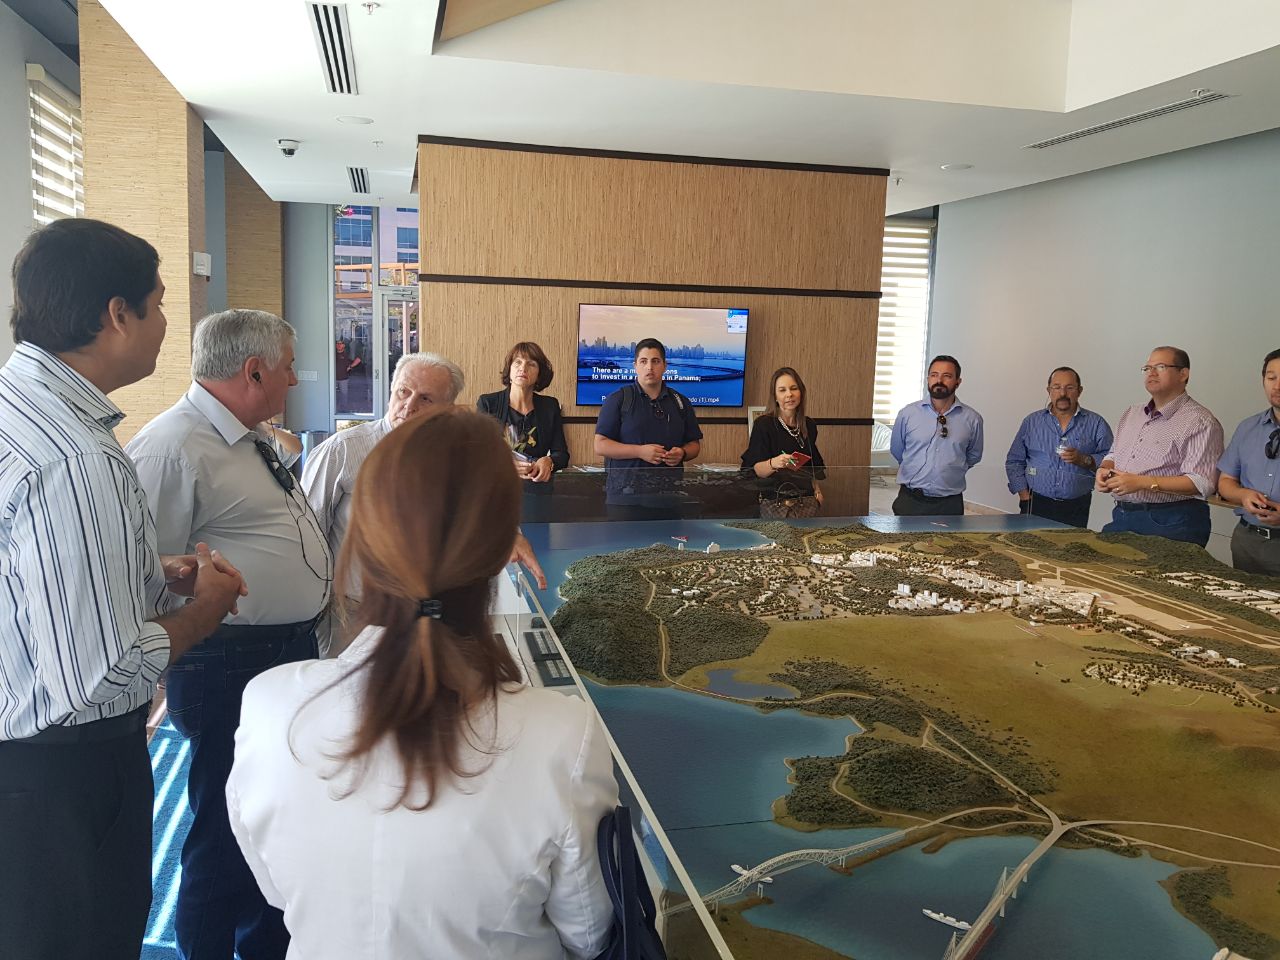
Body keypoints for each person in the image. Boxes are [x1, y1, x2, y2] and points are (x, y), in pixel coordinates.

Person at [227, 408, 619, 959]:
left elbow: (276, 889)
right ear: (499, 551)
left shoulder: (268, 706)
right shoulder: (565, 735)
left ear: (363, 537)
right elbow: (591, 931)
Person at [0, 219, 244, 960]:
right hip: (64, 778)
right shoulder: (77, 457)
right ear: (117, 315)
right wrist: (204, 612)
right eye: (160, 304)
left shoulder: (21, 408)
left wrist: (141, 570)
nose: (169, 324)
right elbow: (99, 672)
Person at [127, 309, 332, 960]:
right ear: (253, 371)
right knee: (225, 827)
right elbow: (140, 576)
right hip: (228, 664)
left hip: (280, 656)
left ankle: (263, 946)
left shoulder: (247, 436)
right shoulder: (172, 447)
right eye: (288, 367)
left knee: (274, 821)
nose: (295, 379)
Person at [303, 352, 547, 641]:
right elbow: (305, 534)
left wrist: (509, 536)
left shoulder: (458, 456)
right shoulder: (342, 451)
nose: (409, 406)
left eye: (425, 399)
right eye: (403, 392)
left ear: (447, 409)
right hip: (355, 615)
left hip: (431, 619)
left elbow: (478, 508)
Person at [1097, 346, 1224, 548]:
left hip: (1172, 520)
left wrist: (1142, 483)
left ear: (1183, 374)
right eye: (1147, 368)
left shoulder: (1200, 421)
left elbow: (1202, 482)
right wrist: (1104, 469)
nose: (1152, 373)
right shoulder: (1132, 413)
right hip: (1123, 514)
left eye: (1161, 367)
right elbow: (1114, 454)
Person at [593, 337, 703, 519]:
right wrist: (640, 451)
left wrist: (682, 453)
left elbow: (694, 445)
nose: (649, 367)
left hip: (669, 498)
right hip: (625, 499)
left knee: (668, 539)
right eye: (643, 361)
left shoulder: (681, 402)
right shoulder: (618, 399)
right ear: (635, 366)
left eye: (655, 361)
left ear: (665, 366)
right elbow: (600, 445)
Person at [1005, 366, 1114, 528]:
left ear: (1079, 391)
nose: (1063, 393)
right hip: (1035, 502)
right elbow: (1014, 461)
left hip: (1077, 505)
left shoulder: (1096, 423)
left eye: (1069, 388)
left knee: (1071, 544)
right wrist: (1023, 494)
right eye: (1056, 387)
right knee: (1030, 544)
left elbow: (1112, 457)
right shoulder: (1032, 422)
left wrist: (1084, 459)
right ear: (1049, 390)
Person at [890, 355, 984, 516]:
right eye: (934, 375)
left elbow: (973, 456)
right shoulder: (908, 414)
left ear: (958, 382)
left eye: (947, 376)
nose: (939, 380)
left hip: (950, 503)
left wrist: (949, 469)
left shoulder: (972, 419)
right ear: (928, 379)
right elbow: (898, 451)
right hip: (911, 500)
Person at [1217, 348, 1280, 573]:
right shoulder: (1248, 428)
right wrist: (1243, 495)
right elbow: (1225, 482)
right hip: (1247, 540)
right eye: (1271, 378)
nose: (1277, 385)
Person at [477, 340, 570, 484]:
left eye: (531, 364)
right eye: (518, 362)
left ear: (539, 374)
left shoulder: (549, 406)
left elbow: (562, 454)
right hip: (498, 487)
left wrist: (549, 461)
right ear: (509, 370)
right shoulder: (488, 403)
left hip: (537, 487)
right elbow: (478, 453)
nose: (523, 368)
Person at [741, 366, 826, 518]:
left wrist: (817, 490)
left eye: (794, 388)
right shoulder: (763, 424)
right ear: (775, 396)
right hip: (775, 502)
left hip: (805, 501)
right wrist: (774, 463)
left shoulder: (809, 425)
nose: (789, 394)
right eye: (782, 390)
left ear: (801, 392)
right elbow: (756, 469)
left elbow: (811, 466)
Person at [334, 339, 362, 411]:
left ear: (344, 345)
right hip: (333, 379)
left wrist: (351, 366)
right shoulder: (333, 354)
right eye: (337, 343)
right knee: (333, 395)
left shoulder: (348, 354)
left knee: (344, 395)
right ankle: (334, 410)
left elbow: (358, 359)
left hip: (344, 378)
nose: (338, 345)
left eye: (340, 343)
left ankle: (343, 411)